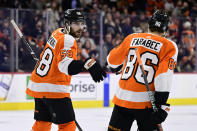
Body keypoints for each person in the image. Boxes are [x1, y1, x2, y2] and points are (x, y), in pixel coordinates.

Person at [26, 9, 106, 131]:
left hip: (38, 85)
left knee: (42, 123)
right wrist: (86, 64)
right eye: (76, 24)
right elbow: (65, 66)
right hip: (54, 88)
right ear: (67, 24)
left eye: (81, 23)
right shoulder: (68, 40)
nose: (80, 27)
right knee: (67, 125)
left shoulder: (57, 32)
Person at [106, 10, 178, 131]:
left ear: (149, 25)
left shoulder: (132, 37)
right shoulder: (169, 45)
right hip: (147, 104)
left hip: (122, 100)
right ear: (165, 30)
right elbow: (163, 77)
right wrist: (161, 106)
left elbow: (111, 61)